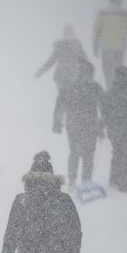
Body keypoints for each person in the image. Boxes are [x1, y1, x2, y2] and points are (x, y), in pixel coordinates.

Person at [53, 59, 105, 188]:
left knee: (74, 152)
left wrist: (57, 122)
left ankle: (72, 179)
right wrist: (101, 126)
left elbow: (60, 105)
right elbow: (105, 108)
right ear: (90, 73)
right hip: (90, 125)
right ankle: (86, 181)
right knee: (88, 155)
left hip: (73, 125)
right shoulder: (95, 87)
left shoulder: (69, 86)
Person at [92, 0, 127, 89]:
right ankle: (116, 91)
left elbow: (96, 31)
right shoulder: (125, 13)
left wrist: (95, 47)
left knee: (107, 71)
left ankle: (109, 90)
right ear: (120, 1)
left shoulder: (103, 13)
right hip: (119, 48)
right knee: (118, 71)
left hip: (106, 48)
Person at [35, 24, 89, 94]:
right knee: (73, 97)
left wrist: (40, 72)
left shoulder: (60, 45)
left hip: (61, 75)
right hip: (74, 75)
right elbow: (85, 61)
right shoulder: (77, 45)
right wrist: (89, 73)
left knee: (62, 98)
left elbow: (50, 61)